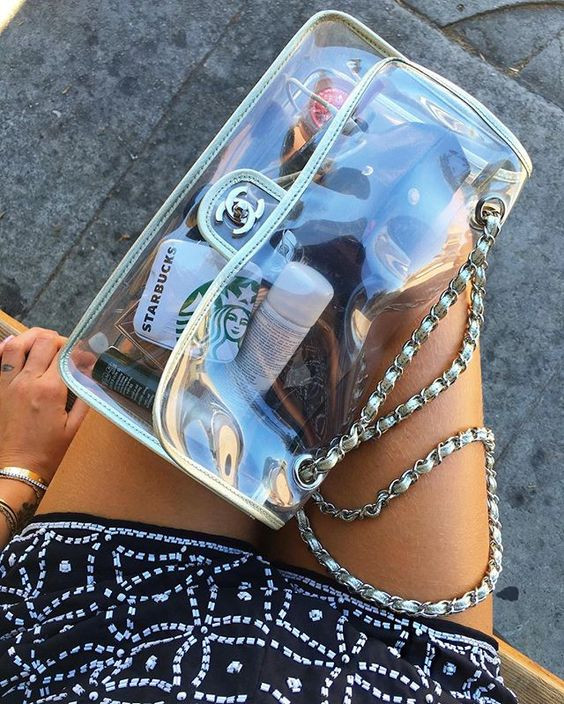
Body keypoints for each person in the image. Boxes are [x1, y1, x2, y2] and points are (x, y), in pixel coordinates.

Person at [0, 292, 517, 703]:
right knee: (416, 276)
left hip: (90, 631)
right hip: (397, 672)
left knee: (312, 249)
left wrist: (23, 469)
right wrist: (21, 469)